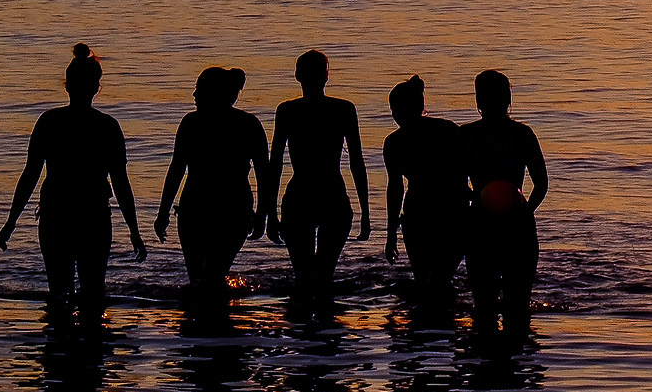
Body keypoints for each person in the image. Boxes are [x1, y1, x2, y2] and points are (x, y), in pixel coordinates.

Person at [0, 43, 147, 315]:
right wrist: (134, 231)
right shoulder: (108, 127)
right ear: (96, 87)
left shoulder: (49, 122)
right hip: (94, 218)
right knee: (94, 294)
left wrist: (11, 222)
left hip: (56, 217)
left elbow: (30, 175)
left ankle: (59, 338)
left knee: (58, 294)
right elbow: (121, 184)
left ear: (67, 86)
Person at [154, 65, 271, 307]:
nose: (194, 95)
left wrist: (262, 214)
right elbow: (176, 169)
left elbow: (263, 173)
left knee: (210, 276)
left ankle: (208, 321)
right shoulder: (196, 123)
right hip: (199, 210)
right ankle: (211, 320)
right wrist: (163, 212)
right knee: (202, 278)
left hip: (226, 211)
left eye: (200, 90)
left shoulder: (242, 124)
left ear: (215, 93)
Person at [266, 50, 370, 317]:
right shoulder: (343, 109)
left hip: (302, 196)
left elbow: (275, 165)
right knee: (323, 276)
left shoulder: (288, 111)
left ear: (297, 76)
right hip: (331, 195)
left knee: (304, 277)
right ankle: (325, 328)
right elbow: (357, 163)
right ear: (326, 76)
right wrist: (365, 212)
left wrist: (270, 212)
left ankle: (304, 328)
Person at [459, 69, 547, 337]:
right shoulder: (521, 134)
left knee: (486, 308)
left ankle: (487, 356)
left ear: (478, 100)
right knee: (516, 308)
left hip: (485, 224)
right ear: (508, 99)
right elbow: (541, 184)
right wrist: (525, 212)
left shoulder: (467, 135)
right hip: (510, 224)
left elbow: (455, 184)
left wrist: (474, 200)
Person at [382, 75, 468, 295]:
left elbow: (395, 188)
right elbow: (395, 189)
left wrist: (392, 233)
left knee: (430, 280)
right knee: (435, 279)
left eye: (398, 109)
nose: (396, 115)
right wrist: (391, 234)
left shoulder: (396, 141)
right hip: (433, 214)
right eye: (393, 110)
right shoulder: (446, 129)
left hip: (436, 214)